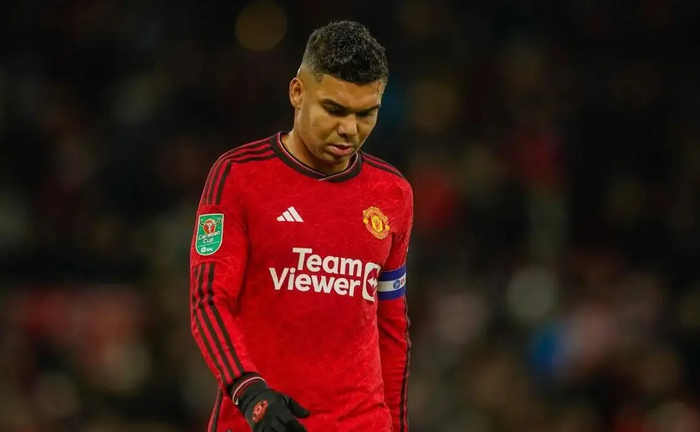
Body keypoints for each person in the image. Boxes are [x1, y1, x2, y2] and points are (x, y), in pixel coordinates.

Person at [190, 20, 412, 432]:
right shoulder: (239, 177)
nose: (349, 129)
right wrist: (250, 392)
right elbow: (209, 300)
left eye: (366, 114)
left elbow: (392, 326)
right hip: (259, 419)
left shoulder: (393, 194)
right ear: (297, 92)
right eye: (334, 109)